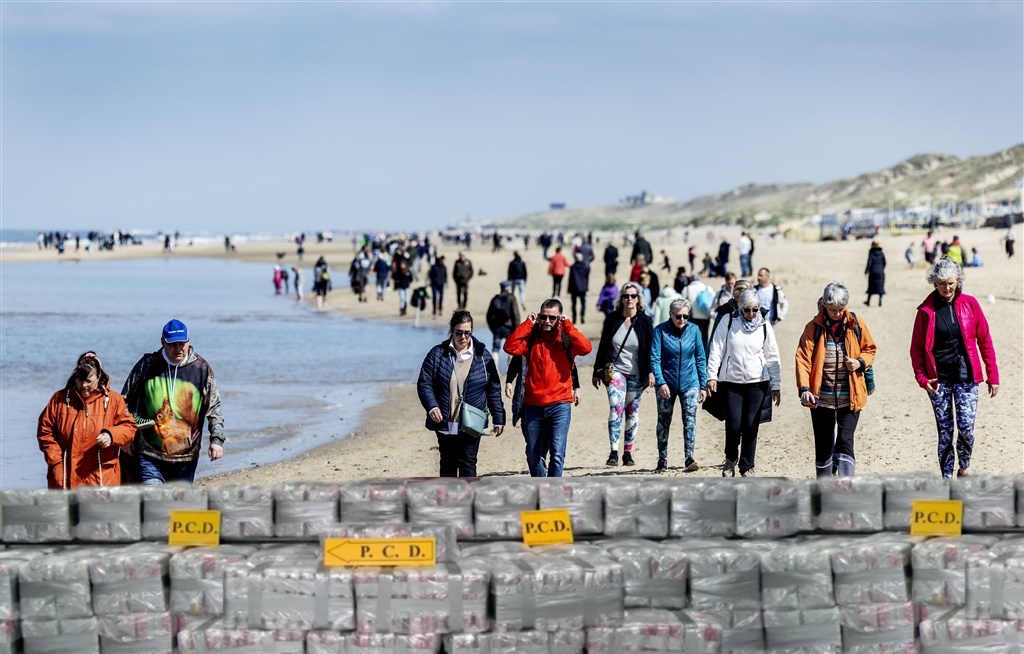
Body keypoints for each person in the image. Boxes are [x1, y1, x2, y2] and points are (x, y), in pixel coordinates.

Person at [910, 258, 999, 479]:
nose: (947, 288)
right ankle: (947, 479)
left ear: (958, 280)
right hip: (938, 380)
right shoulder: (925, 311)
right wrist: (922, 379)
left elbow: (985, 341)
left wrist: (993, 375)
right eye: (942, 284)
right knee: (945, 432)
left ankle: (964, 466)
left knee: (966, 427)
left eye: (950, 283)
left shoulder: (971, 304)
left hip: (967, 376)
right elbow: (916, 350)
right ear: (934, 283)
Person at [122, 319, 225, 484]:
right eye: (172, 344)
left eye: (182, 344)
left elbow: (214, 408)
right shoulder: (147, 365)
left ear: (188, 341)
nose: (178, 348)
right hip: (148, 454)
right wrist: (125, 438)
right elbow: (124, 401)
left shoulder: (201, 369)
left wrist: (216, 440)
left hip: (186, 458)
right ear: (163, 342)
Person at [795, 282, 877, 477]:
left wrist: (859, 362)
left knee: (845, 440)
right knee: (824, 444)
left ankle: (846, 485)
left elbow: (870, 349)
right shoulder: (813, 328)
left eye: (841, 309)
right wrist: (804, 389)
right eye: (833, 309)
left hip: (851, 397)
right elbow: (803, 359)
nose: (838, 313)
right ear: (825, 304)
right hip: (821, 399)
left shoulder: (856, 324)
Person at [504, 299, 592, 477]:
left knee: (557, 454)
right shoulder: (532, 337)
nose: (547, 321)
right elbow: (510, 347)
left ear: (559, 318)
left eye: (552, 318)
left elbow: (586, 348)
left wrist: (568, 325)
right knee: (533, 456)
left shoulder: (566, 337)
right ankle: (542, 485)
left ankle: (552, 490)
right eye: (543, 317)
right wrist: (528, 324)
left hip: (560, 404)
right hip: (533, 405)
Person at [417, 310, 505, 477]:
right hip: (445, 419)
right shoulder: (437, 354)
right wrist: (432, 406)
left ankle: (468, 494)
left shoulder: (483, 356)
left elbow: (493, 388)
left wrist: (499, 418)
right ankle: (448, 494)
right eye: (459, 333)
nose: (463, 337)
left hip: (472, 420)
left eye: (467, 333)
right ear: (452, 330)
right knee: (447, 463)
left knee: (468, 462)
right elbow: (424, 383)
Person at [706, 289, 782, 477]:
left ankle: (747, 466)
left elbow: (772, 355)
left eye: (755, 309)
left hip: (757, 383)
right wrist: (711, 376)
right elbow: (716, 349)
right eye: (747, 310)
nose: (751, 314)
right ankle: (730, 458)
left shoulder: (764, 325)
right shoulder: (728, 320)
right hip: (730, 382)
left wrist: (776, 385)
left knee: (750, 425)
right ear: (740, 307)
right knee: (733, 425)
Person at [37, 352, 136, 489]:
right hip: (64, 477)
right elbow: (45, 431)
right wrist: (56, 461)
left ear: (99, 377)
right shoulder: (59, 399)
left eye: (89, 381)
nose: (84, 385)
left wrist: (111, 435)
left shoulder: (114, 400)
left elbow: (129, 427)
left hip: (101, 479)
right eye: (80, 380)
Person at [591, 281, 654, 467]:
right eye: (626, 296)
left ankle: (628, 453)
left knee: (632, 413)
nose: (629, 299)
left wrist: (651, 372)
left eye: (633, 296)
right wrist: (597, 371)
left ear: (638, 299)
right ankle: (613, 452)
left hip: (637, 374)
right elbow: (603, 346)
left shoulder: (645, 321)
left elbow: (651, 350)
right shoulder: (612, 319)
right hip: (616, 372)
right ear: (621, 298)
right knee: (615, 408)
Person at [651, 298, 707, 473]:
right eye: (678, 316)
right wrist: (661, 382)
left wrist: (703, 385)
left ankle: (689, 457)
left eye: (685, 316)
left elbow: (700, 357)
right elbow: (655, 359)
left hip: (690, 382)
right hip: (666, 383)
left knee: (690, 420)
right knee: (663, 421)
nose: (682, 320)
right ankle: (662, 458)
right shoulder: (660, 331)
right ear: (670, 314)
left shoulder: (694, 330)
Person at [486, 281, 521, 369]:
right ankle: (509, 370)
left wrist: (492, 328)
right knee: (511, 349)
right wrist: (517, 329)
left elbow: (489, 315)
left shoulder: (495, 298)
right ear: (508, 288)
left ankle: (495, 370)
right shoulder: (511, 297)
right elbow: (516, 314)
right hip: (509, 328)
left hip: (497, 327)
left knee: (495, 349)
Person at [567, 251, 591, 324]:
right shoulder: (585, 267)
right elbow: (587, 277)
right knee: (583, 303)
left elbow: (570, 279)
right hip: (582, 288)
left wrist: (569, 288)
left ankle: (574, 318)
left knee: (574, 304)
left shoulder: (573, 267)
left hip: (574, 288)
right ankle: (582, 316)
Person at [864, 241, 887, 306]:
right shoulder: (881, 253)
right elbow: (885, 262)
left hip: (873, 272)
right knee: (880, 287)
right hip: (880, 272)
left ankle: (868, 301)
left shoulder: (871, 253)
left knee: (871, 287)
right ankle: (880, 301)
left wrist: (866, 271)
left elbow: (869, 262)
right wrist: (881, 268)